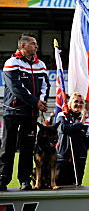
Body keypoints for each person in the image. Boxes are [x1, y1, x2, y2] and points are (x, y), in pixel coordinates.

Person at [0, 33, 50, 191]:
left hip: (31, 113)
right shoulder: (11, 62)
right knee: (7, 146)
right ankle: (3, 179)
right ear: (23, 46)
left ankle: (25, 180)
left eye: (36, 44)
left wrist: (41, 101)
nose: (36, 46)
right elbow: (16, 89)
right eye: (33, 44)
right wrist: (36, 102)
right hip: (12, 112)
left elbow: (45, 86)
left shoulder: (40, 64)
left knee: (28, 147)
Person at [56, 92, 89, 186]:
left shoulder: (87, 120)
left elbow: (88, 142)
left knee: (76, 187)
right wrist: (80, 124)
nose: (78, 104)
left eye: (81, 102)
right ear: (70, 103)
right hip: (62, 158)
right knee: (60, 187)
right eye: (76, 101)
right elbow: (64, 128)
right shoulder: (62, 115)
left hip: (79, 159)